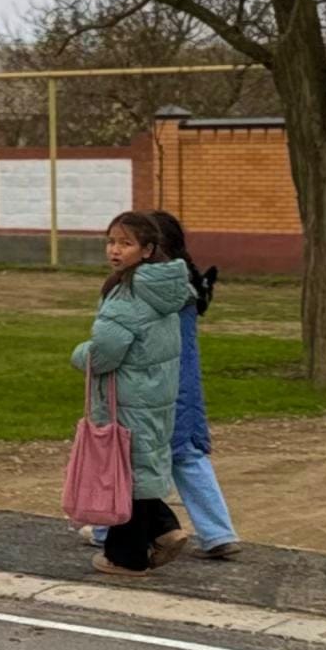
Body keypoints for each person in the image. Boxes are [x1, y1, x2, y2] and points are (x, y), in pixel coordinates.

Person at [71, 212, 192, 574]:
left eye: (126, 243)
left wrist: (80, 355)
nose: (115, 250)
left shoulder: (128, 294)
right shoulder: (163, 289)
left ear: (147, 249)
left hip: (127, 396)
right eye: (111, 241)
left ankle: (126, 557)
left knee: (123, 469)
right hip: (155, 392)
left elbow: (106, 351)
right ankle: (164, 529)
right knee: (139, 463)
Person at [138, 208, 239, 560]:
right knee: (186, 455)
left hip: (153, 385)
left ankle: (111, 528)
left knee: (132, 456)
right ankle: (218, 532)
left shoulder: (151, 288)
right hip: (184, 385)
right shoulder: (186, 285)